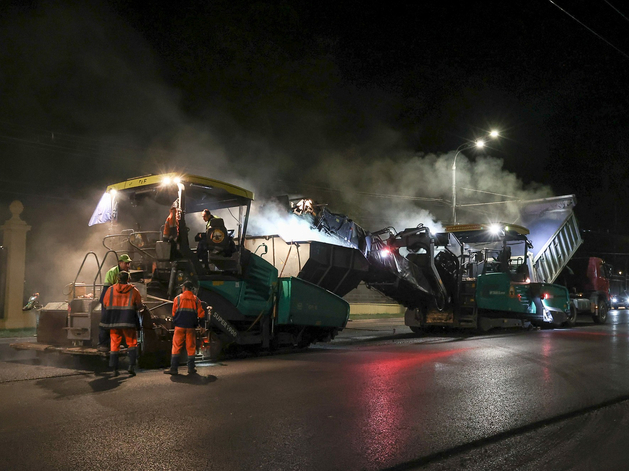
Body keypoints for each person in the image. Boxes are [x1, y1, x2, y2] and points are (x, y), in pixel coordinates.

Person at [100, 271, 143, 377]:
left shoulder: (110, 290)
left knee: (114, 344)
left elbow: (105, 304)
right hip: (128, 321)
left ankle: (114, 369)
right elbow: (139, 305)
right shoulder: (134, 291)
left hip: (114, 321)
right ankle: (131, 367)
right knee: (132, 343)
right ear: (128, 279)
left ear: (118, 279)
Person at [164, 281, 206, 375]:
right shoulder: (196, 300)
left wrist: (176, 322)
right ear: (191, 289)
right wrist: (202, 325)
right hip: (191, 327)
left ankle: (174, 368)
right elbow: (201, 314)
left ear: (184, 288)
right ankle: (191, 368)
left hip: (179, 327)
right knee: (191, 347)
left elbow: (174, 313)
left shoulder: (177, 298)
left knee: (176, 347)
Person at [97, 254, 132, 352]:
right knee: (105, 322)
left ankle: (118, 343)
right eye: (126, 263)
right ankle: (103, 344)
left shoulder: (127, 273)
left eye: (129, 263)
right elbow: (108, 290)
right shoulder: (112, 273)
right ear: (120, 263)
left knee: (119, 323)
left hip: (117, 300)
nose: (128, 266)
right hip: (108, 298)